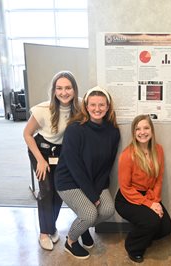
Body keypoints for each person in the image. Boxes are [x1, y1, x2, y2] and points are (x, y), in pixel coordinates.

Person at [55, 86, 120, 259]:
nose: (97, 109)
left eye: (101, 105)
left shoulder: (113, 131)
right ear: (86, 106)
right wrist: (92, 195)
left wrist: (97, 190)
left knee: (107, 210)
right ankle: (71, 241)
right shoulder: (75, 129)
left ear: (108, 107)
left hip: (95, 180)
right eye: (93, 105)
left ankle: (83, 227)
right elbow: (74, 166)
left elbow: (108, 165)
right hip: (69, 181)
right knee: (90, 213)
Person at [23, 71, 80, 251]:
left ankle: (51, 226)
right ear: (54, 91)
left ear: (74, 90)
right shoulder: (43, 110)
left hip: (62, 153)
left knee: (58, 191)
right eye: (59, 88)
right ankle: (43, 232)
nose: (64, 92)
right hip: (41, 151)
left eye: (68, 88)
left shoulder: (79, 108)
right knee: (47, 190)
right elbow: (27, 134)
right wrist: (40, 160)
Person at [115, 114, 171, 263]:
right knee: (152, 222)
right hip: (127, 198)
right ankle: (133, 247)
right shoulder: (127, 155)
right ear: (134, 132)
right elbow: (125, 188)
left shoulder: (158, 150)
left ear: (151, 130)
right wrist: (150, 204)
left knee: (166, 228)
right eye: (138, 129)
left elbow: (159, 180)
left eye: (146, 128)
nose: (142, 132)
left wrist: (155, 201)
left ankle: (145, 233)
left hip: (149, 195)